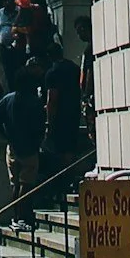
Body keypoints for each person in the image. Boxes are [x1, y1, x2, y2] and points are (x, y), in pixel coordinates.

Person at [0, 66, 46, 201]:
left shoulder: (8, 99)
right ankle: (22, 215)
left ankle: (15, 215)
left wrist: (4, 133)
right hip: (30, 148)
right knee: (26, 185)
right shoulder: (35, 102)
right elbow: (40, 124)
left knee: (15, 184)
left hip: (13, 146)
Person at [41, 47, 83, 178]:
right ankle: (70, 176)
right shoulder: (75, 68)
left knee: (58, 151)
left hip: (60, 117)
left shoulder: (52, 72)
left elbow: (52, 99)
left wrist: (49, 122)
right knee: (70, 148)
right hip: (74, 112)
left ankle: (63, 178)